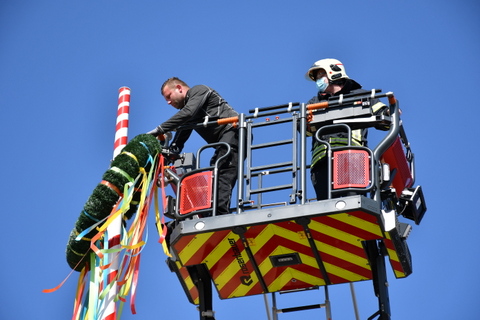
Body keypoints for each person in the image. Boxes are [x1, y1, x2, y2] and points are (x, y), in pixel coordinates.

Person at [147, 77, 240, 216]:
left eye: (169, 96)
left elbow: (187, 114)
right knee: (216, 169)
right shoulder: (191, 109)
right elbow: (181, 136)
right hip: (226, 138)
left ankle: (219, 215)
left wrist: (159, 129)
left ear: (179, 88)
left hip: (233, 131)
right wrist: (166, 159)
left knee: (222, 170)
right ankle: (215, 212)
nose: (168, 102)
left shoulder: (199, 90)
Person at [305, 58, 387, 200]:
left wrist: (389, 113)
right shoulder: (314, 102)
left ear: (333, 73)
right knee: (326, 206)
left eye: (320, 75)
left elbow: (384, 120)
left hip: (352, 158)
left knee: (352, 200)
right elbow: (305, 129)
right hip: (321, 162)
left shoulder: (360, 95)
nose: (318, 81)